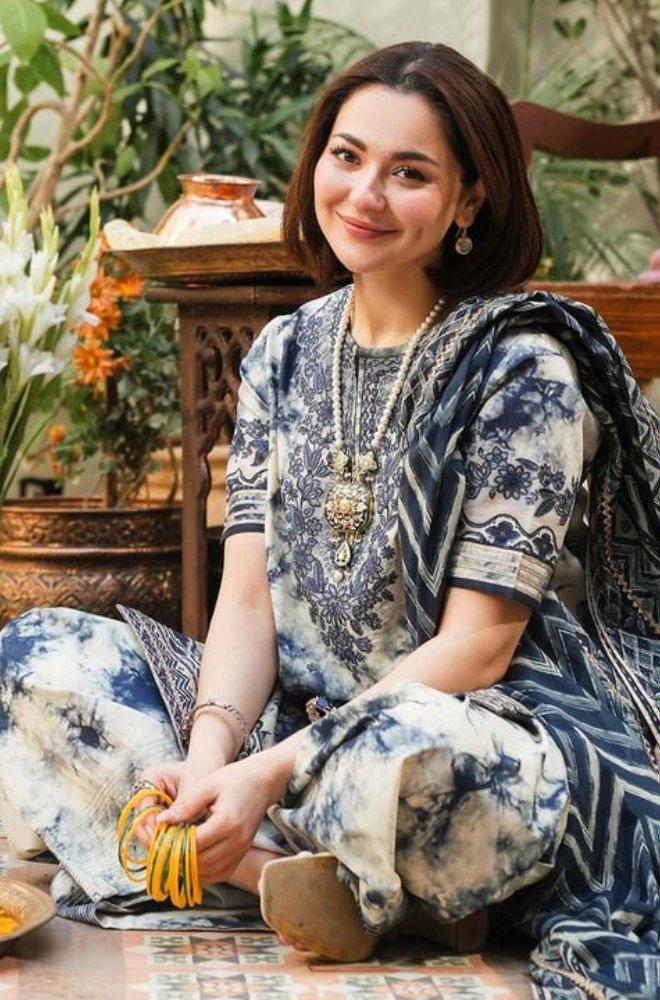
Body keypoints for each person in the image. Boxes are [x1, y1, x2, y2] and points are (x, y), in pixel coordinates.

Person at [1, 40, 659, 999]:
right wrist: (210, 758)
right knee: (36, 654)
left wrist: (270, 773)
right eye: (347, 157)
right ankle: (291, 871)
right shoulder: (282, 352)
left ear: (470, 200)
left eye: (410, 173)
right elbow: (247, 603)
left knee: (421, 760)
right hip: (289, 721)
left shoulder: (522, 368)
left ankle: (242, 858)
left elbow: (479, 648)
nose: (364, 194)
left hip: (458, 721)